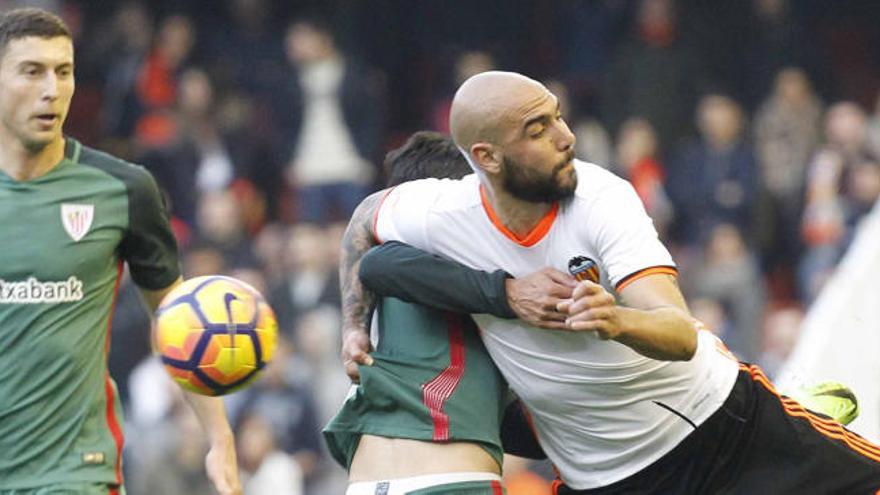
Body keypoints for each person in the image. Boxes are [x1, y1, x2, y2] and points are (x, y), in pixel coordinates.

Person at [340, 71, 880, 493]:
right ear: (486, 158)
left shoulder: (602, 199)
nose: (565, 137)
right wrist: (354, 328)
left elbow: (679, 331)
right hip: (604, 480)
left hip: (716, 427)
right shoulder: (440, 213)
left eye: (558, 117)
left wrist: (615, 319)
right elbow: (364, 224)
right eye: (538, 129)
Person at [0, 9, 240, 494]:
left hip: (74, 473)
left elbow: (178, 322)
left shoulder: (123, 188)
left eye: (63, 72)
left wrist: (219, 436)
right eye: (32, 71)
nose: (53, 89)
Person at [327, 131, 553, 494]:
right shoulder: (473, 267)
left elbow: (491, 414)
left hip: (367, 482)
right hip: (451, 479)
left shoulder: (376, 287)